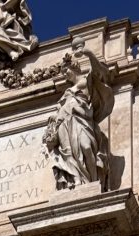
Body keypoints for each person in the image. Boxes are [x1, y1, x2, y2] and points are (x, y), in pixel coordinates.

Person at [44, 36, 117, 191]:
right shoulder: (67, 92)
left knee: (86, 147)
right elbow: (61, 109)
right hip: (65, 123)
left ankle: (92, 181)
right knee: (69, 153)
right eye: (63, 72)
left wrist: (88, 53)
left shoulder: (86, 82)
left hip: (82, 121)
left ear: (74, 67)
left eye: (66, 71)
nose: (65, 75)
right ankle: (77, 181)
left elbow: (100, 73)